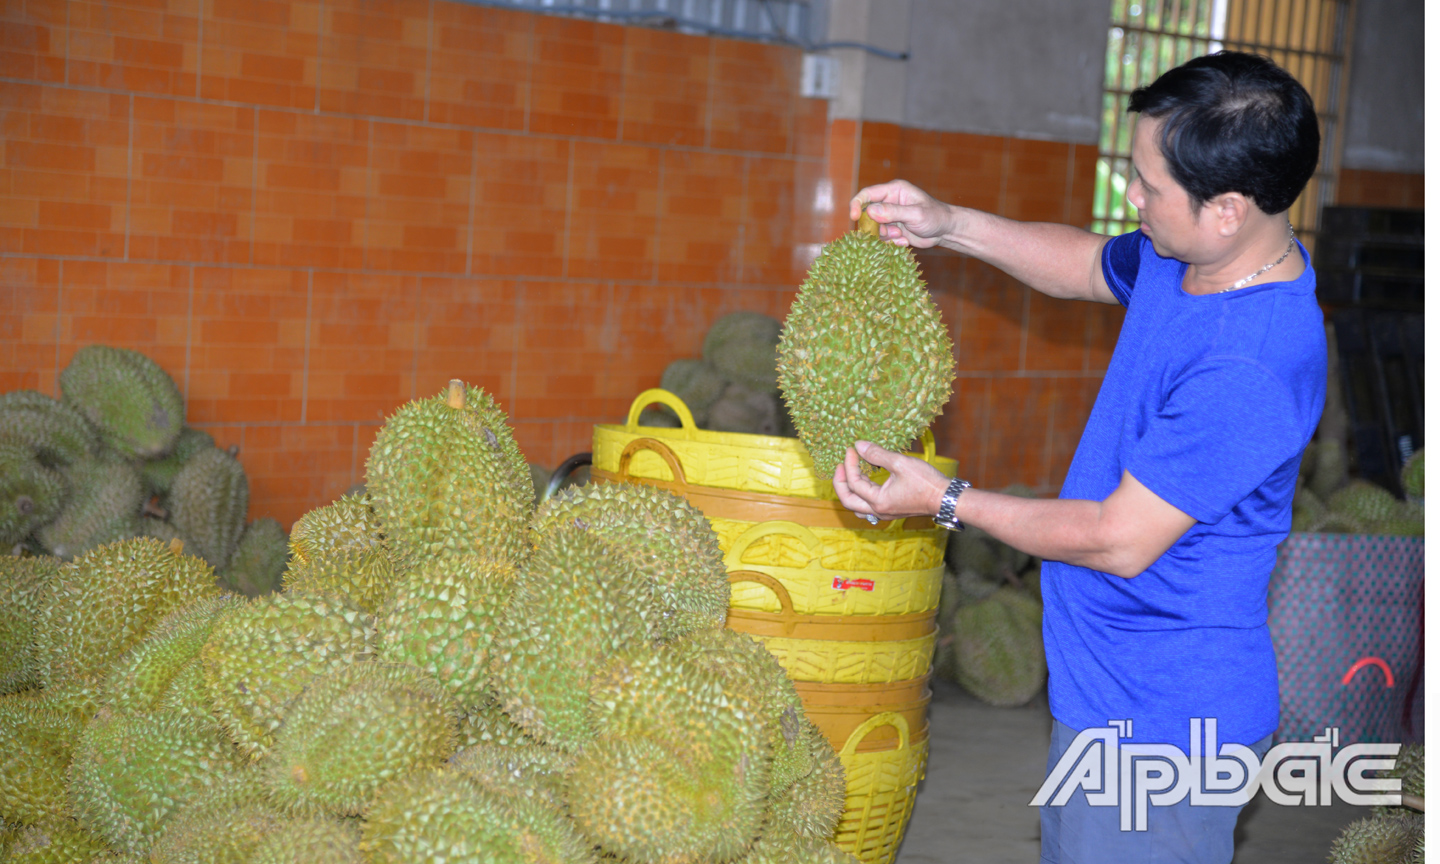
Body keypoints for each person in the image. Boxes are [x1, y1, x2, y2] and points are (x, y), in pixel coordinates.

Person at [833, 51, 1326, 864]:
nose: (1131, 198)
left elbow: (1117, 537)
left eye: (1147, 184)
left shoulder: (1254, 365)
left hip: (1163, 722)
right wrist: (948, 223)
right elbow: (1087, 265)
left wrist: (946, 500)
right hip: (1107, 687)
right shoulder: (1190, 257)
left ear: (1229, 208)